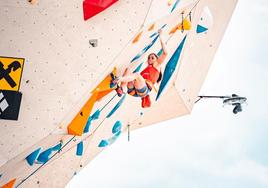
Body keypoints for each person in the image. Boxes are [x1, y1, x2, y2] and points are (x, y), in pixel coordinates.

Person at [111, 29, 168, 107]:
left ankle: (118, 80)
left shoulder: (157, 65)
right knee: (129, 70)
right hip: (133, 91)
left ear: (157, 59)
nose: (150, 59)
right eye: (149, 58)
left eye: (152, 57)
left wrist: (161, 36)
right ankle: (122, 88)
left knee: (137, 74)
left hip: (144, 90)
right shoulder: (145, 70)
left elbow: (165, 53)